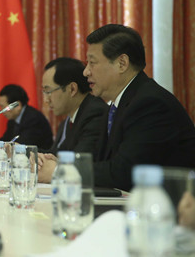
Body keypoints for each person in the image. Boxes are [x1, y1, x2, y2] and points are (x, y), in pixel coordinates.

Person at [40, 24, 195, 191]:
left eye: (92, 63)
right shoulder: (118, 105)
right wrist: (62, 164)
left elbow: (125, 173)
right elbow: (102, 163)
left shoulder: (150, 104)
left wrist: (60, 171)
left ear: (122, 63)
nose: (86, 72)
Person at [40, 57, 107, 155]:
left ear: (72, 89)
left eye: (49, 91)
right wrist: (25, 151)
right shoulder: (71, 119)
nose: (46, 100)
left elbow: (81, 158)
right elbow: (57, 154)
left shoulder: (95, 113)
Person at [0, 84, 53, 152]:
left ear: (17, 106)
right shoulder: (12, 120)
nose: (2, 111)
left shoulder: (33, 118)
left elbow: (21, 145)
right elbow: (6, 140)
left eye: (3, 107)